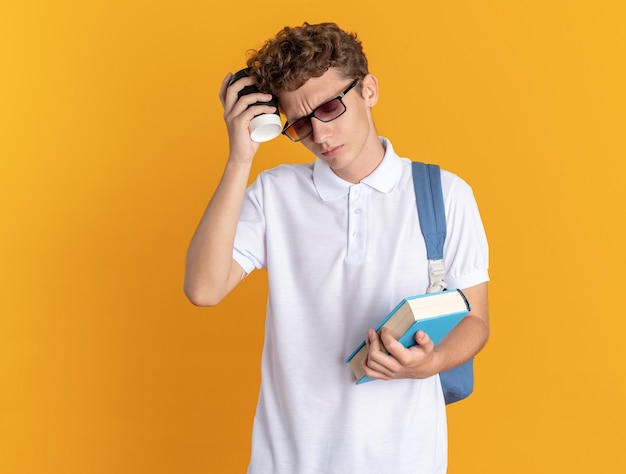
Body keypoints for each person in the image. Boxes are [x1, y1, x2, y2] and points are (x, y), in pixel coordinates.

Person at [185, 22, 489, 474]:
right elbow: (204, 288)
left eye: (330, 107)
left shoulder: (445, 193)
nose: (320, 135)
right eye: (301, 124)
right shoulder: (275, 194)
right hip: (287, 461)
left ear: (368, 89)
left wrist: (429, 363)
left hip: (406, 460)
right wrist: (240, 157)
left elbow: (475, 319)